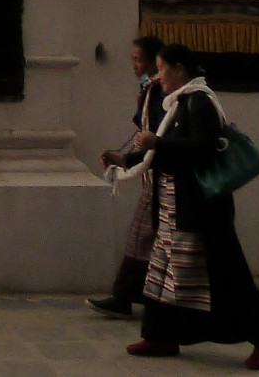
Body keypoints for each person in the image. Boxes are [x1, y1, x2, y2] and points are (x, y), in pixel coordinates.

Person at [127, 43, 259, 368]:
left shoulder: (200, 102)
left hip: (201, 209)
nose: (159, 76)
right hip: (173, 208)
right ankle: (160, 335)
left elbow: (202, 149)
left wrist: (157, 142)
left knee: (227, 276)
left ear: (180, 69)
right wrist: (124, 158)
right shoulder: (173, 105)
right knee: (163, 275)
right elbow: (161, 152)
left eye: (162, 69)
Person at [88, 35, 162, 319]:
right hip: (154, 175)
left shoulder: (158, 92)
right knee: (146, 240)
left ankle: (126, 297)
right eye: (132, 59)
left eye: (138, 59)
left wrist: (130, 158)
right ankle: (135, 296)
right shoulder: (151, 90)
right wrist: (125, 157)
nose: (133, 65)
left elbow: (154, 138)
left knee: (142, 239)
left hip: (161, 179)